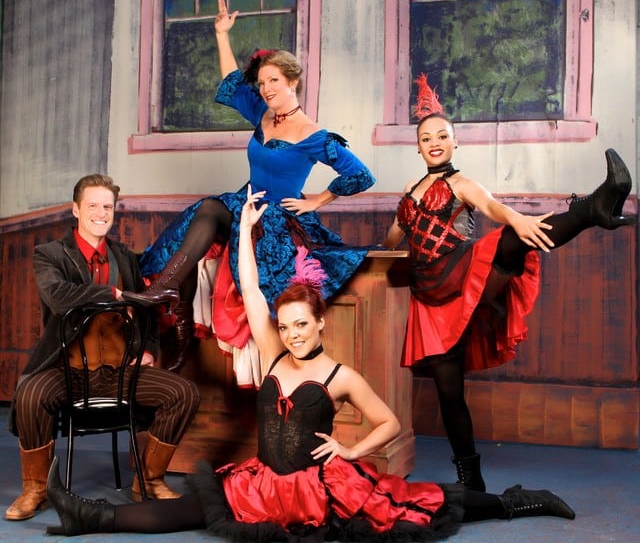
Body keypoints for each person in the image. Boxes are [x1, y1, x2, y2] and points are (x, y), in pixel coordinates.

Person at [43, 185, 576, 541]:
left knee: (416, 501)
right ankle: (88, 516)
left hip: (318, 488)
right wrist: (247, 233)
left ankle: (515, 503)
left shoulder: (339, 375)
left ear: (320, 324)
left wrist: (350, 448)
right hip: (263, 482)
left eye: (302, 324)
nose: (294, 333)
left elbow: (388, 422)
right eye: (288, 324)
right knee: (191, 509)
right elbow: (251, 290)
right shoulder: (274, 352)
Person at [381, 112, 634, 492]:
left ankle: (591, 209)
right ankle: (472, 479)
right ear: (418, 147)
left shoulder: (461, 183)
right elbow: (393, 238)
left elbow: (492, 208)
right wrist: (380, 250)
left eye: (442, 136)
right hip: (427, 297)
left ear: (454, 143)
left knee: (510, 242)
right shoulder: (409, 189)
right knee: (449, 392)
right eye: (427, 138)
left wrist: (517, 218)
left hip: (460, 273)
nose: (434, 142)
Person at [125, 0, 377, 375]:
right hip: (244, 203)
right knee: (208, 209)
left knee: (217, 221)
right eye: (261, 83)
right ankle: (165, 293)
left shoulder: (314, 135)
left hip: (274, 220)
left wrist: (317, 201)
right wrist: (221, 34)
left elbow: (361, 175)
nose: (266, 89)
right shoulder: (262, 113)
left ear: (293, 81)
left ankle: (163, 294)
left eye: (274, 80)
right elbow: (231, 82)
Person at [4, 174, 201, 521]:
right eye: (93, 205)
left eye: (107, 207)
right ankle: (35, 489)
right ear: (76, 209)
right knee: (31, 395)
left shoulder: (125, 258)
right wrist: (111, 294)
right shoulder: (49, 255)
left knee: (184, 393)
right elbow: (59, 296)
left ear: (114, 212)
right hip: (65, 371)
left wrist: (150, 350)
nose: (101, 212)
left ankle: (150, 480)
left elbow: (147, 310)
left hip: (119, 372)